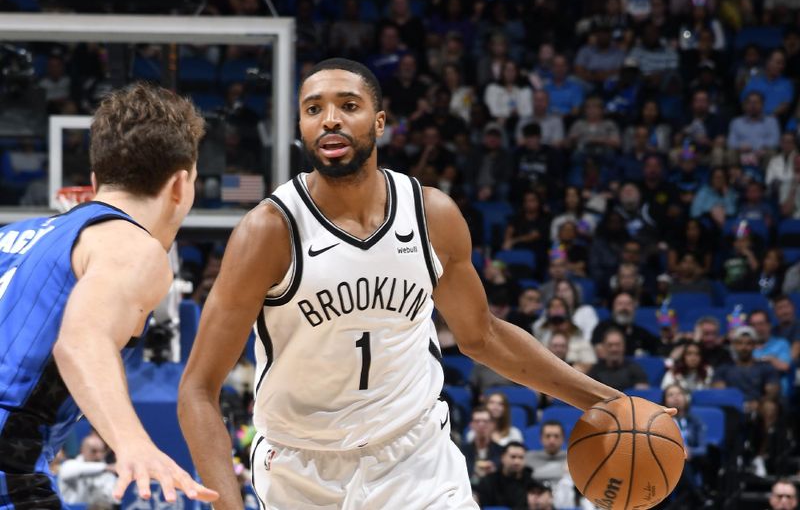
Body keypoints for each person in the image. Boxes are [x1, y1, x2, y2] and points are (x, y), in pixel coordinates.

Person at [177, 58, 630, 509]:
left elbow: (482, 335)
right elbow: (198, 388)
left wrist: (606, 400)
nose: (330, 119)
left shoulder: (432, 215)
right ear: (300, 125)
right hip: (303, 469)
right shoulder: (269, 232)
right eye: (313, 109)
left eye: (347, 105)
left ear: (379, 122)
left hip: (415, 455)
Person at [0, 83, 216, 508]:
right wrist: (133, 442)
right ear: (180, 185)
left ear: (95, 181)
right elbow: (81, 341)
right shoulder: (136, 247)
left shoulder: (12, 235)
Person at [57, 432, 117, 508]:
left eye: (101, 451)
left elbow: (113, 498)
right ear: (82, 450)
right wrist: (105, 467)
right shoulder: (71, 465)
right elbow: (67, 472)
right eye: (94, 451)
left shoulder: (106, 473)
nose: (99, 455)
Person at [461, 406, 503, 484]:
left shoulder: (502, 451)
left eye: (485, 421)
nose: (481, 424)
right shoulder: (462, 452)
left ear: (492, 425)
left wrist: (495, 471)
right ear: (471, 425)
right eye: (477, 421)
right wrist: (474, 469)